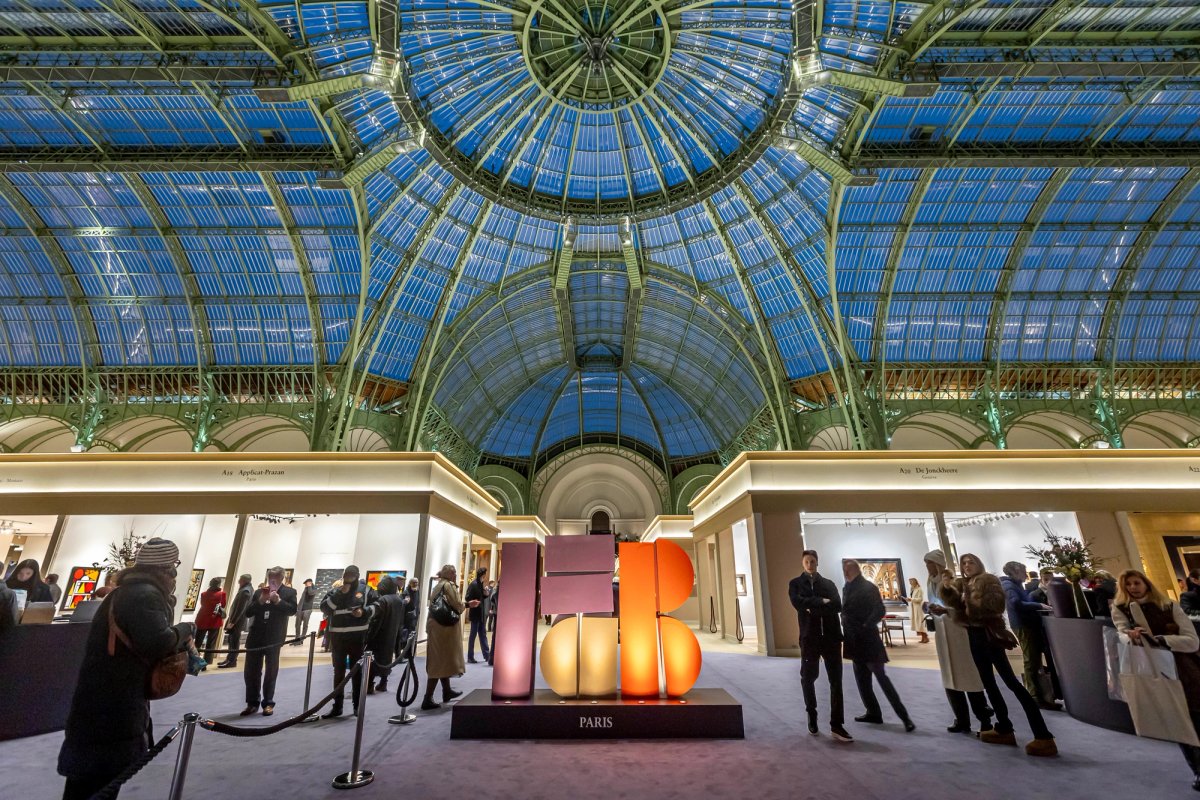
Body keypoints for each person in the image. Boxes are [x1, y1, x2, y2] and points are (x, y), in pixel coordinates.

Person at [57, 538, 195, 800]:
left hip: (106, 698)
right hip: (113, 701)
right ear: (166, 569)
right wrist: (186, 629)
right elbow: (157, 642)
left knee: (93, 778)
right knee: (97, 779)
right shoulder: (144, 595)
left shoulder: (127, 592)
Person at [940, 553, 1057, 757]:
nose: (967, 566)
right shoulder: (966, 583)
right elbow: (958, 607)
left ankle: (1042, 735)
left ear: (979, 564)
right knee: (989, 683)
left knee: (1011, 682)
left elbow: (993, 606)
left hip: (988, 634)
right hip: (975, 634)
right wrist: (948, 589)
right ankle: (1003, 727)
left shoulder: (988, 580)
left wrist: (967, 600)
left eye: (971, 562)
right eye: (964, 563)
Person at [1113, 568, 1200, 791]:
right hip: (1155, 671)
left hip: (1186, 668)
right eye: (1128, 585)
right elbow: (1121, 633)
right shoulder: (1121, 609)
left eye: (1136, 583)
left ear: (1146, 583)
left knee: (1196, 715)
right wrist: (1130, 637)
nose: (1133, 588)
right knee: (1179, 720)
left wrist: (1162, 640)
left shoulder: (1168, 605)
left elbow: (1192, 641)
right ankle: (1198, 770)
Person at [923, 550, 993, 735]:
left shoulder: (954, 582)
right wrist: (930, 608)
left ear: (937, 564)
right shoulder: (930, 582)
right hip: (942, 633)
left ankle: (984, 719)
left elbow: (964, 608)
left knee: (969, 677)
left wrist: (946, 610)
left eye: (929, 563)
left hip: (959, 633)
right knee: (949, 677)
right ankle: (961, 719)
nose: (927, 567)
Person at [842, 560, 914, 731]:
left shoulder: (868, 587)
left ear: (855, 570)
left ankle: (905, 718)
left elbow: (879, 610)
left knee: (881, 678)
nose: (846, 572)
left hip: (867, 639)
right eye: (845, 569)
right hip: (854, 640)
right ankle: (873, 712)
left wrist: (866, 625)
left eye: (848, 569)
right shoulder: (847, 588)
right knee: (862, 681)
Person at [788, 549, 852, 742]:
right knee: (808, 677)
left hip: (831, 638)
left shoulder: (828, 584)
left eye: (813, 561)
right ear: (802, 563)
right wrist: (820, 602)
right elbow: (797, 602)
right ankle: (812, 714)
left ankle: (837, 725)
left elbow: (837, 606)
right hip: (810, 638)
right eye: (807, 561)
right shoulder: (796, 584)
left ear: (817, 563)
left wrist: (812, 607)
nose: (810, 564)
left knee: (836, 682)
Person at [1000, 562, 1060, 711]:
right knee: (1031, 660)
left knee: (1033, 659)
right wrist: (1039, 606)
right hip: (1023, 625)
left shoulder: (1015, 585)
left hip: (1025, 624)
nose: (1026, 573)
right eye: (1023, 570)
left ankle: (1038, 694)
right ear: (1015, 571)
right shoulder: (1009, 586)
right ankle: (1034, 695)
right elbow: (1016, 603)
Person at [320, 565, 378, 718]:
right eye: (347, 575)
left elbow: (377, 606)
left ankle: (357, 706)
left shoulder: (366, 590)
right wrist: (340, 594)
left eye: (352, 575)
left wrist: (364, 612)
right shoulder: (336, 591)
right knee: (338, 673)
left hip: (357, 637)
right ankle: (337, 706)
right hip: (338, 638)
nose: (349, 578)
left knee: (357, 672)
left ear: (357, 575)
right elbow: (325, 608)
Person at [239, 567, 296, 716]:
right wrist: (260, 601)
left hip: (274, 638)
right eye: (270, 577)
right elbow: (248, 612)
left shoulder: (290, 592)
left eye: (276, 578)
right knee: (251, 672)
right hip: (255, 638)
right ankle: (252, 703)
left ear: (282, 578)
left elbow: (292, 610)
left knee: (271, 672)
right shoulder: (259, 592)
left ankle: (268, 703)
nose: (272, 580)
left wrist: (278, 601)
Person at [423, 564, 469, 710]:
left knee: (442, 659)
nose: (455, 574)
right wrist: (467, 604)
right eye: (454, 572)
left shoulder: (438, 585)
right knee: (439, 661)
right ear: (448, 574)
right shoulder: (448, 586)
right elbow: (457, 605)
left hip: (436, 626)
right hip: (443, 628)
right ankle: (428, 698)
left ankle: (446, 691)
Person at [367, 576, 405, 694]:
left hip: (380, 634)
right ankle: (383, 683)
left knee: (373, 660)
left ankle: (369, 685)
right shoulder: (399, 600)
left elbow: (376, 619)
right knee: (386, 659)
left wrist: (369, 635)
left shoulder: (383, 600)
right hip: (392, 633)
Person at [216, 573, 252, 668]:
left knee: (234, 640)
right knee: (232, 640)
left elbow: (240, 609)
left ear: (243, 580)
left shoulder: (245, 591)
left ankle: (232, 660)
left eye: (240, 579)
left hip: (238, 620)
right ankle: (229, 659)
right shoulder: (246, 589)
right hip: (237, 620)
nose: (238, 581)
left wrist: (233, 621)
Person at [193, 577, 226, 664]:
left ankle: (194, 660)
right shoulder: (222, 594)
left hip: (203, 619)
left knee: (198, 642)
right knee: (211, 643)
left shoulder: (204, 594)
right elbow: (223, 605)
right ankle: (207, 662)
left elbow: (203, 604)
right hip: (214, 620)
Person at [466, 566, 491, 664]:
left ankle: (487, 656)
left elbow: (482, 596)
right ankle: (470, 656)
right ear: (483, 574)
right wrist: (474, 601)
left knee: (483, 634)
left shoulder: (480, 584)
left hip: (480, 614)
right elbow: (467, 597)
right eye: (485, 574)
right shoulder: (473, 584)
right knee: (473, 635)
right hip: (475, 614)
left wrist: (486, 594)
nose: (485, 576)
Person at [293, 578, 316, 643]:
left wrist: (309, 586)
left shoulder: (314, 589)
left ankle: (302, 639)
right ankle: (297, 639)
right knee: (297, 624)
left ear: (310, 583)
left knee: (305, 625)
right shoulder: (306, 589)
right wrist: (297, 609)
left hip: (307, 610)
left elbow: (310, 593)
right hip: (300, 609)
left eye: (306, 583)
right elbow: (301, 599)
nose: (305, 585)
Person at [906, 577, 927, 644]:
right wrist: (909, 599)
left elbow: (920, 599)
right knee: (917, 624)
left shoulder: (919, 589)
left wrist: (911, 599)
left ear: (915, 582)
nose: (910, 583)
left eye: (911, 582)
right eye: (909, 582)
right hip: (914, 607)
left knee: (920, 623)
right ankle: (923, 638)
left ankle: (925, 637)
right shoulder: (912, 589)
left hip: (918, 608)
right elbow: (913, 598)